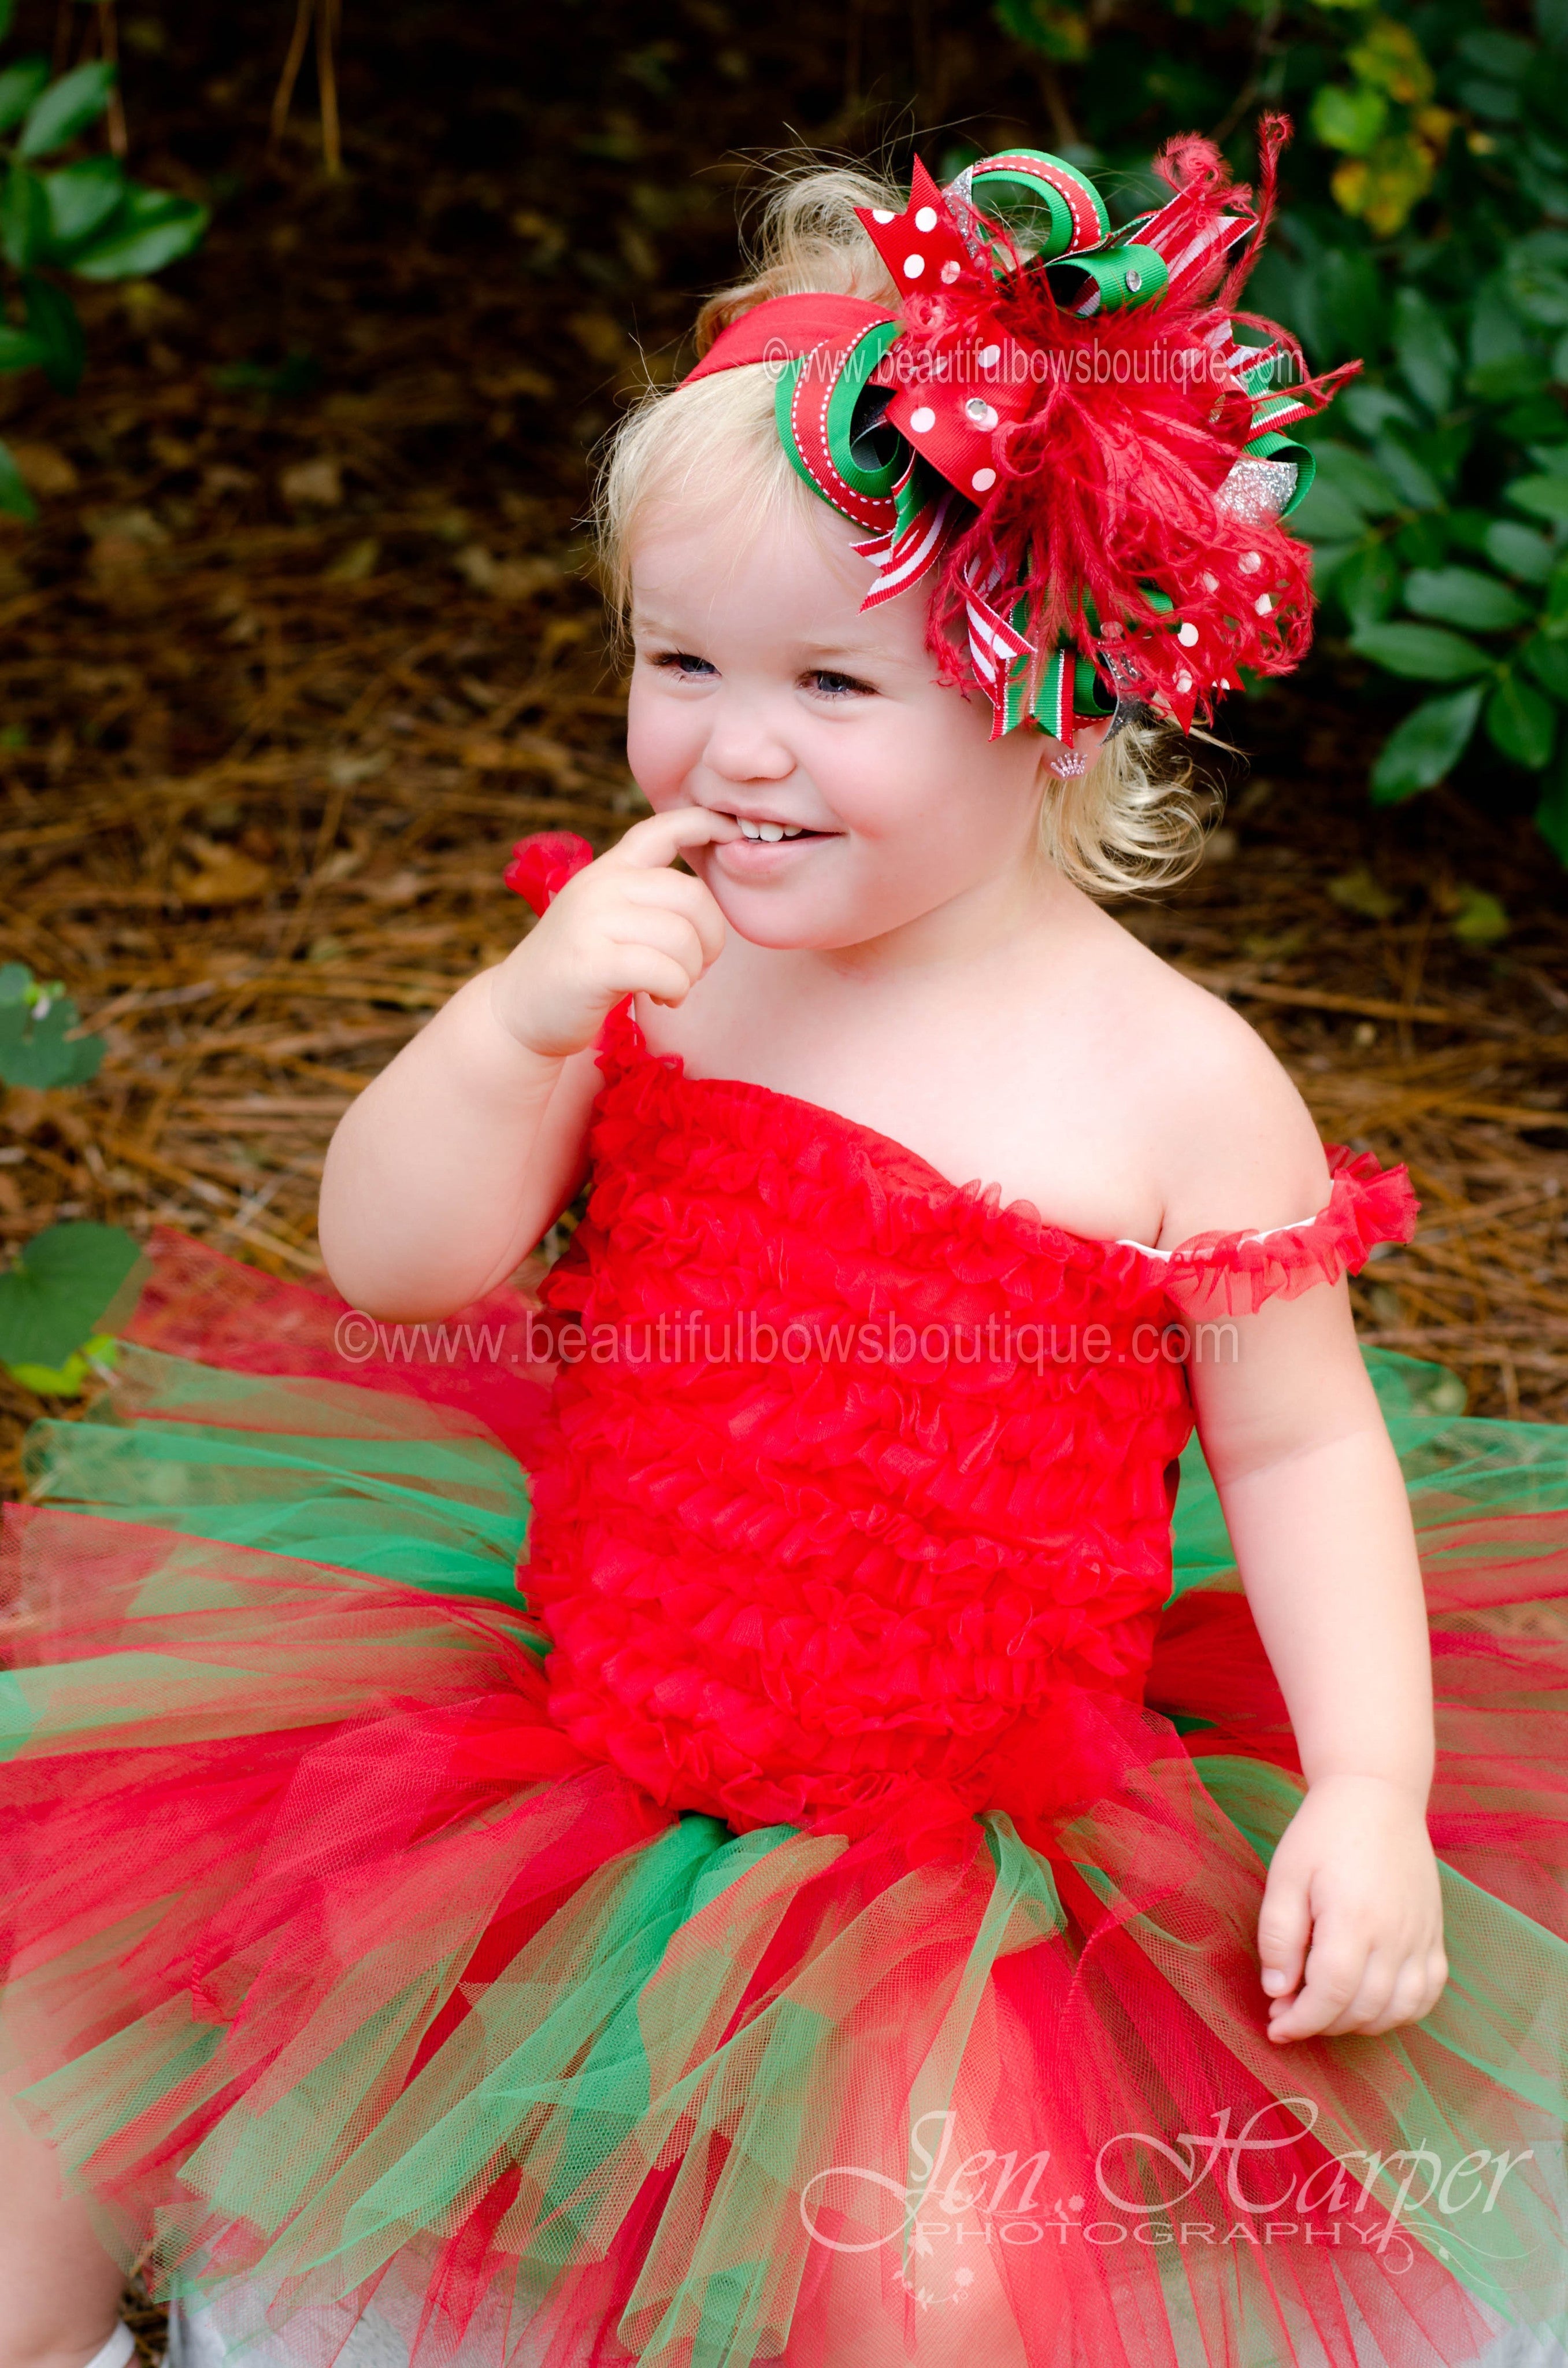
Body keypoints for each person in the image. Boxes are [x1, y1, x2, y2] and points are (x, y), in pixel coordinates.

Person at [4, 121, 1568, 2368]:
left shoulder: (1171, 1084)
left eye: (834, 690)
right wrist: (512, 1019)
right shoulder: (646, 956)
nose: (733, 752)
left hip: (959, 1836)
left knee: (923, 2273)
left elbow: (1307, 1452)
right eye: (681, 664)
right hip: (556, 1714)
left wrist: (1369, 1792)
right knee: (58, 1982)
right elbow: (404, 1265)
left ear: (1053, 701)